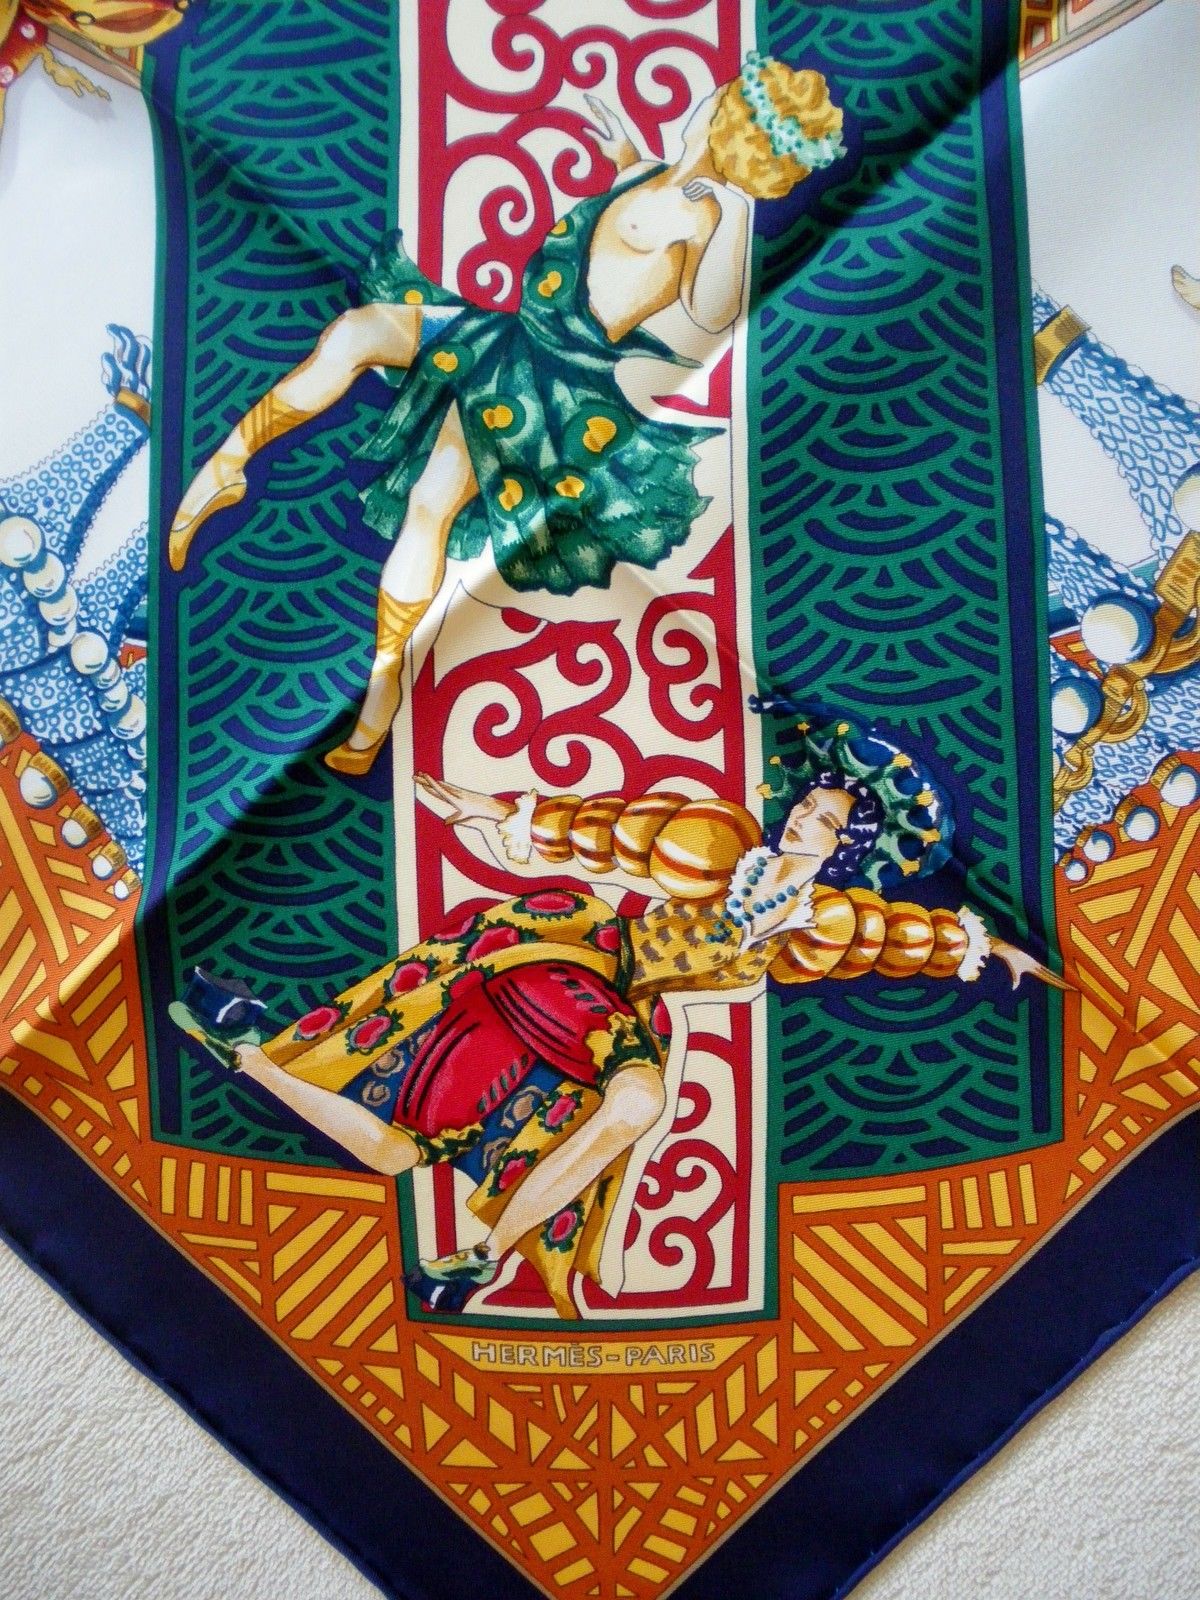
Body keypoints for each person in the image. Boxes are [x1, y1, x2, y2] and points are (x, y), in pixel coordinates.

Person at [172, 715, 1058, 1319]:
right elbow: (614, 831)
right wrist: (500, 809)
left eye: (822, 820)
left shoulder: (824, 924)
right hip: (581, 962)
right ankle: (491, 1250)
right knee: (639, 1101)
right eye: (804, 805)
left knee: (396, 1152)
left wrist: (994, 950)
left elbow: (905, 938)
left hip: (597, 1029)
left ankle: (250, 1057)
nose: (800, 820)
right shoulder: (720, 843)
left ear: (843, 847)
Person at [167, 53, 848, 774]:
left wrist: (737, 210)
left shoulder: (707, 218)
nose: (706, 96)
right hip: (509, 339)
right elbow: (622, 220)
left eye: (722, 96)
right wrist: (623, 152)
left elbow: (715, 316)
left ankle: (375, 709)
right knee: (360, 336)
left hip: (548, 386)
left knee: (428, 502)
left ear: (728, 123)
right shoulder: (652, 174)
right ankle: (229, 467)